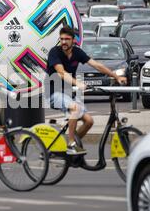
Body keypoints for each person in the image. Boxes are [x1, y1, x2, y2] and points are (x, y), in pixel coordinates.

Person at [45, 26, 127, 156]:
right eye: (62, 39)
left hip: (68, 94)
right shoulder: (54, 52)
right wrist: (77, 82)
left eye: (67, 39)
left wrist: (116, 76)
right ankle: (71, 144)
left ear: (73, 40)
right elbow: (61, 73)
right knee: (75, 108)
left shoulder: (77, 52)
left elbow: (96, 65)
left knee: (89, 121)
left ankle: (71, 145)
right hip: (53, 93)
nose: (64, 42)